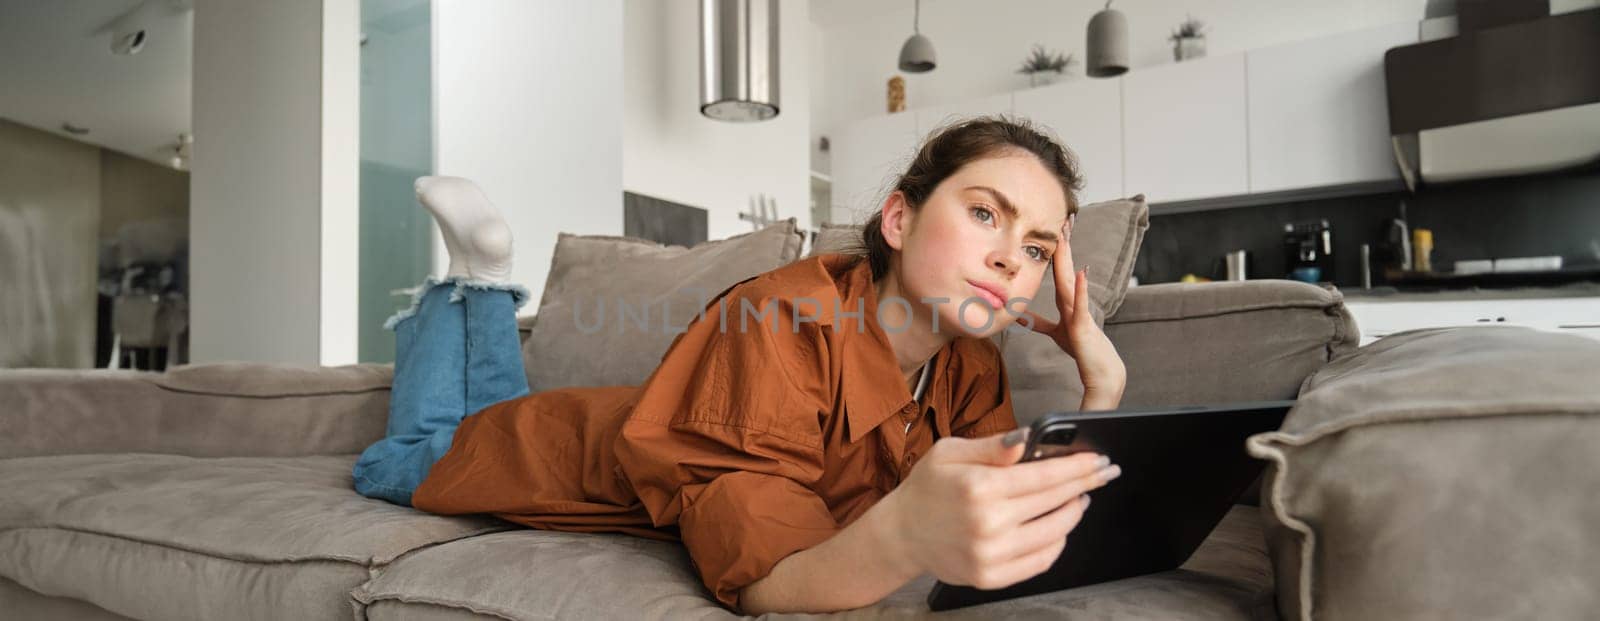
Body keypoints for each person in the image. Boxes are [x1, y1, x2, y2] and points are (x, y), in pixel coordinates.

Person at [353, 116, 1127, 615]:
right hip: (543, 452)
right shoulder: (783, 318)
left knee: (475, 407)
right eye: (985, 212)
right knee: (401, 453)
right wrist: (904, 538)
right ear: (899, 218)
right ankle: (480, 278)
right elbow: (772, 582)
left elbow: (1016, 515)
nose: (1008, 256)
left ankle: (481, 275)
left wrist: (1103, 387)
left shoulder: (974, 367)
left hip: (629, 417)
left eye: (1036, 247)